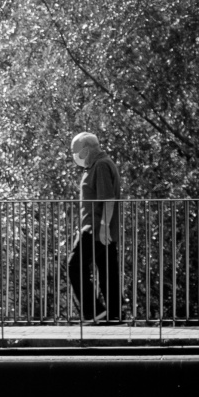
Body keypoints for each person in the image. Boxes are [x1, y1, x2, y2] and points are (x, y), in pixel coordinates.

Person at [66, 131, 122, 321]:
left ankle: (95, 311)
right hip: (100, 229)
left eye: (76, 151)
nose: (75, 156)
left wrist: (103, 227)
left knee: (74, 266)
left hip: (95, 229)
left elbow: (108, 199)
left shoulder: (101, 166)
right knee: (108, 274)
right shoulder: (99, 165)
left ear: (87, 149)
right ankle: (115, 316)